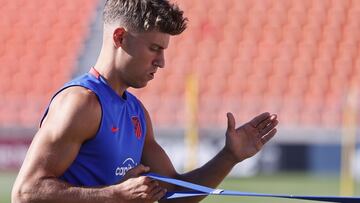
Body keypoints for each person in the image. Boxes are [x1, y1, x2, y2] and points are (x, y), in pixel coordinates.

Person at [11, 0, 279, 202]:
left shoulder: (136, 112)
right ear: (120, 37)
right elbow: (25, 192)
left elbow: (173, 192)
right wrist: (114, 195)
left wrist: (228, 157)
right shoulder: (81, 104)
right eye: (154, 48)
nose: (161, 62)